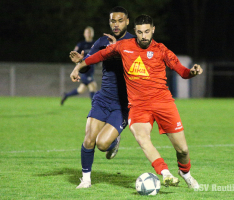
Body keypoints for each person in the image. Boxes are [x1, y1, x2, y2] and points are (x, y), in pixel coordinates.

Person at [70, 14, 202, 189]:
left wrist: (192, 72)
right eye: (140, 32)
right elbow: (99, 56)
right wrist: (79, 65)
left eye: (147, 31)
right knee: (142, 138)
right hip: (138, 106)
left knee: (183, 150)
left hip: (163, 103)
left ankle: (185, 172)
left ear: (153, 30)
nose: (144, 36)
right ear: (135, 32)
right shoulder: (123, 46)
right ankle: (165, 173)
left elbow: (183, 72)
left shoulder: (161, 50)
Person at [70, 7, 135, 189]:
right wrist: (78, 64)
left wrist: (117, 49)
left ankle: (113, 141)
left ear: (127, 21)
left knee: (102, 144)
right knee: (89, 139)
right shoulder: (102, 41)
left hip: (123, 104)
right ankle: (86, 180)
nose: (116, 24)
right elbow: (87, 64)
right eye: (113, 21)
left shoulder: (135, 42)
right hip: (103, 98)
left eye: (120, 20)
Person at [61, 26, 97, 105]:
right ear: (84, 34)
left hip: (91, 70)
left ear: (93, 34)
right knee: (93, 85)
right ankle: (94, 107)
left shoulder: (95, 44)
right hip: (84, 71)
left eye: (90, 32)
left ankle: (66, 95)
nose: (89, 34)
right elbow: (73, 55)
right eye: (87, 32)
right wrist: (78, 63)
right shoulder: (81, 45)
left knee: (81, 90)